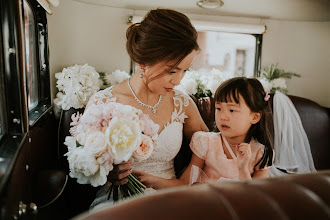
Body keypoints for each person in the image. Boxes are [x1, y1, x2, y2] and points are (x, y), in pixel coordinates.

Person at [87, 9, 208, 207]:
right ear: (143, 62)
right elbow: (84, 163)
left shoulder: (181, 102)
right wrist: (106, 171)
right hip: (117, 200)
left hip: (171, 199)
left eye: (185, 70)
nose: (178, 80)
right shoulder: (103, 102)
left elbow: (210, 145)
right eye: (172, 70)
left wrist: (184, 183)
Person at [178, 77, 274, 183]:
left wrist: (243, 169)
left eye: (232, 110)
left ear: (254, 117)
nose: (223, 117)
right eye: (218, 108)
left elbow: (256, 196)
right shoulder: (206, 142)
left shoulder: (261, 153)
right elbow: (187, 181)